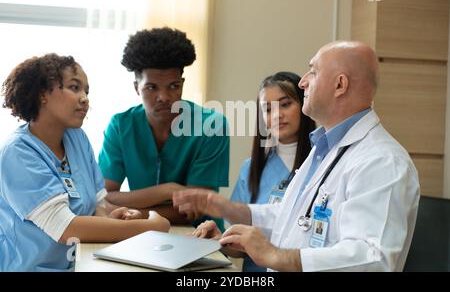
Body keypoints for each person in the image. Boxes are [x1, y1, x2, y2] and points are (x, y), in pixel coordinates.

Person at [173, 41, 420, 272]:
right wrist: (232, 223)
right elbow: (291, 218)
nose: (303, 82)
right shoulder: (325, 149)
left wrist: (277, 256)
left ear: (340, 85)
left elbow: (373, 258)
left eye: (312, 71)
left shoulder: (381, 160)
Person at [0, 54, 170, 272]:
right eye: (74, 87)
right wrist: (148, 227)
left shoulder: (77, 138)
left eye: (86, 91)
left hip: (79, 264)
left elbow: (99, 205)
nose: (84, 98)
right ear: (43, 94)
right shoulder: (17, 153)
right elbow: (65, 228)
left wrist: (118, 218)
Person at [98, 27, 229, 229]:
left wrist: (138, 214)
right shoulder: (121, 125)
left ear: (183, 84)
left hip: (200, 237)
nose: (164, 97)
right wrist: (168, 190)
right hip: (140, 236)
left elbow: (196, 209)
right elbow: (104, 197)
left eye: (173, 86)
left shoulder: (211, 125)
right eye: (152, 87)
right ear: (136, 88)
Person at [230, 71, 315, 271]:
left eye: (285, 104)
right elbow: (239, 245)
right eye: (268, 109)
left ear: (304, 104)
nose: (277, 115)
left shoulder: (324, 164)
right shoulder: (250, 169)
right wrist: (220, 239)